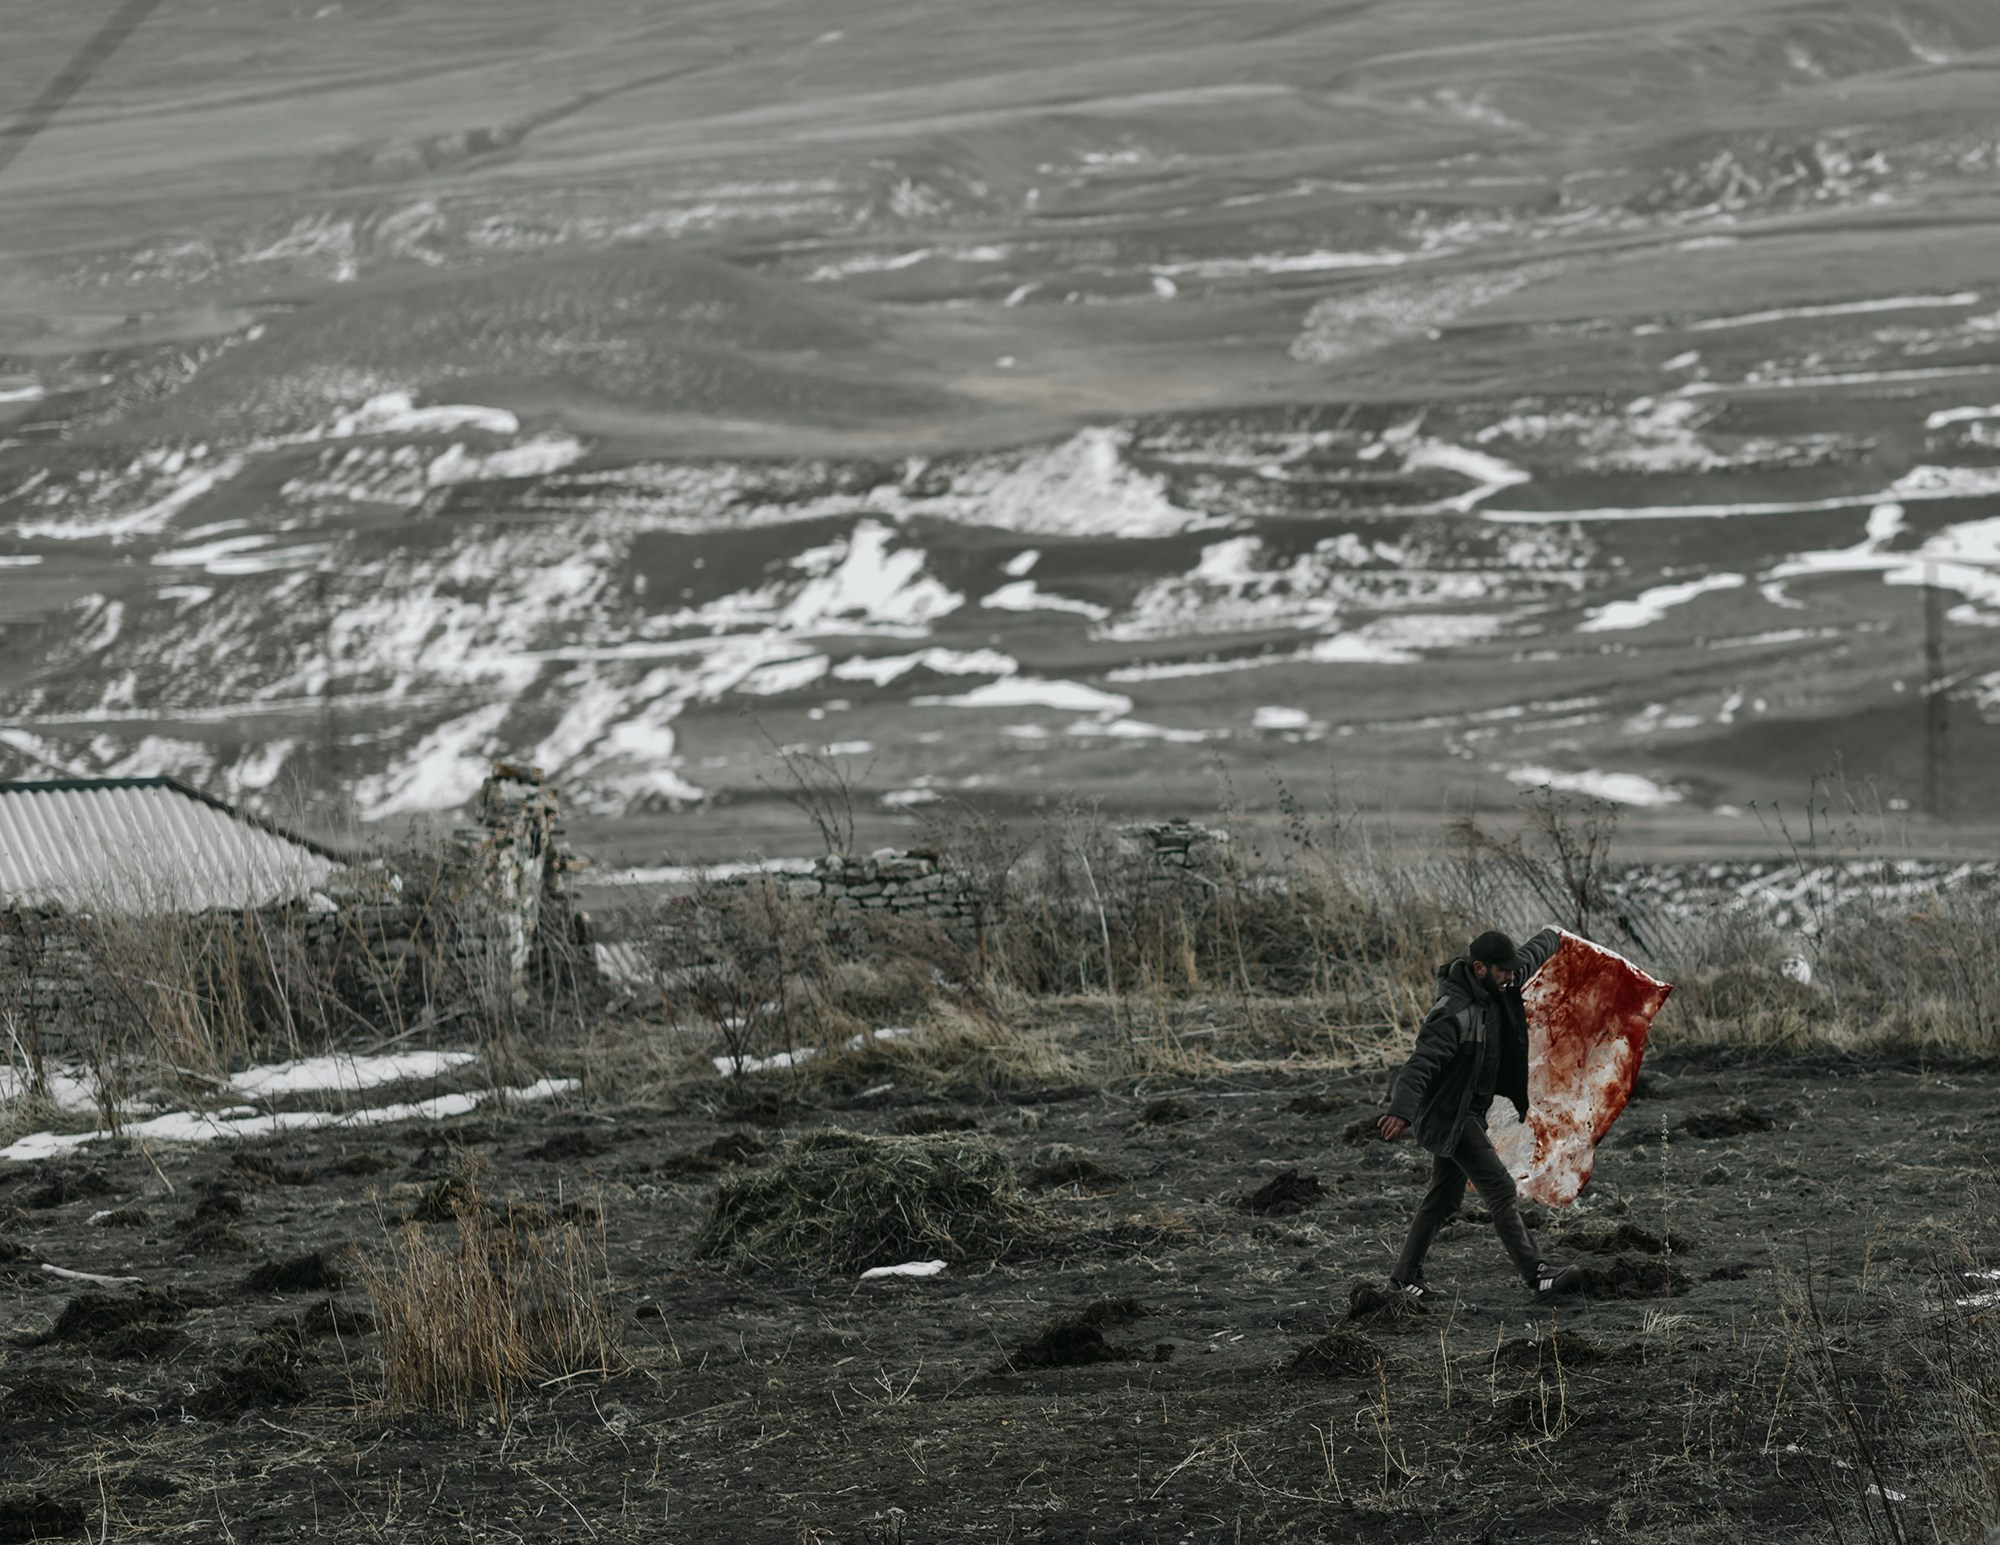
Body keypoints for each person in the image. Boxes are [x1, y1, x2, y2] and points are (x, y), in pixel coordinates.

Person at [1375, 925, 1584, 1306]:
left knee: (1442, 1200)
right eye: (1503, 970)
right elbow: (1419, 1065)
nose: (1511, 976)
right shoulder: (1451, 1013)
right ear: (1479, 968)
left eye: (1511, 970)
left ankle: (1403, 1280)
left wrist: (1555, 936)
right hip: (1449, 1117)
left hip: (1469, 1113)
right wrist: (1401, 1111)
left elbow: (1530, 956)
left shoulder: (1498, 985)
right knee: (1501, 1190)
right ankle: (1536, 1275)